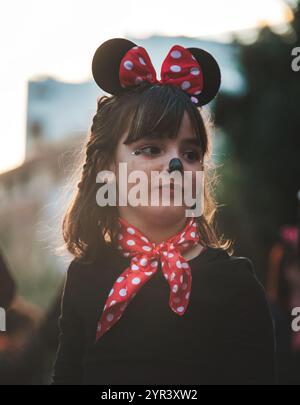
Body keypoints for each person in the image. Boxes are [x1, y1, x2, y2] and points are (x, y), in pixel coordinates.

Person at [51, 38, 277, 385]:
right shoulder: (84, 278)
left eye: (190, 154)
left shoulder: (236, 284)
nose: (174, 164)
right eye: (150, 148)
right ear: (107, 167)